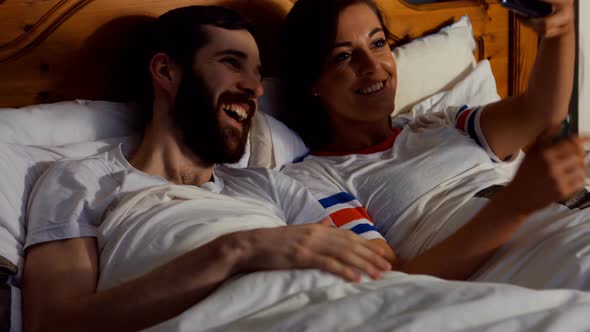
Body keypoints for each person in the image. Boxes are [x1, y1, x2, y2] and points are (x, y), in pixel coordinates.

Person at [21, 6, 393, 332]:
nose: (254, 89)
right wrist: (236, 250)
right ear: (166, 71)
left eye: (257, 73)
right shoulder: (81, 181)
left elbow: (361, 271)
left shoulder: (271, 185)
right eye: (232, 63)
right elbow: (54, 324)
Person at [281, 0, 586, 282]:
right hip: (537, 259)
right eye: (344, 56)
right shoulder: (317, 178)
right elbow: (396, 282)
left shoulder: (440, 120)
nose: (372, 66)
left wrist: (563, 29)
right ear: (312, 81)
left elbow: (540, 111)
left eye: (377, 43)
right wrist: (515, 204)